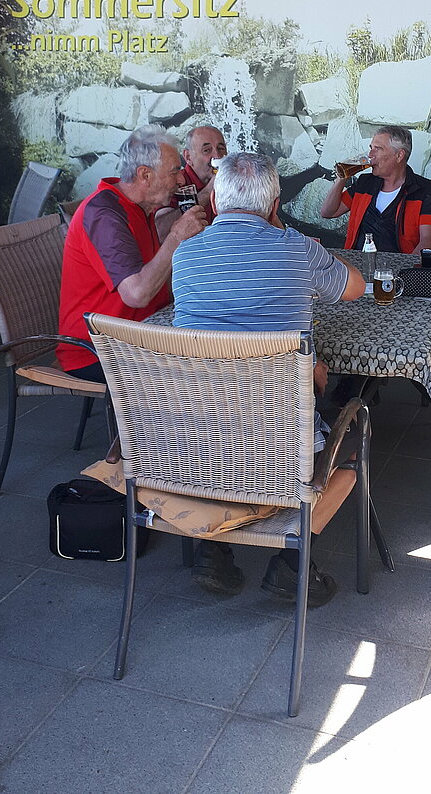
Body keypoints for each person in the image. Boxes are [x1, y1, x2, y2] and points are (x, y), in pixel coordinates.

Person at [171, 151, 366, 605]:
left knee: (223, 415)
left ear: (214, 202)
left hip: (195, 439)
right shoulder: (298, 248)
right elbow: (355, 287)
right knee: (356, 444)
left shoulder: (185, 254)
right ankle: (292, 562)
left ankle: (211, 550)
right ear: (276, 204)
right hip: (279, 442)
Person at [57, 124, 206, 380]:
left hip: (140, 334)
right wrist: (176, 237)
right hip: (98, 349)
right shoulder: (105, 215)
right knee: (203, 371)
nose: (181, 179)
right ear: (145, 175)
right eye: (174, 171)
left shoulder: (141, 207)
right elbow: (137, 294)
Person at [320, 125, 431, 254]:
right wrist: (341, 178)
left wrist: (408, 265)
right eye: (371, 148)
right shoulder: (365, 183)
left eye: (377, 149)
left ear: (399, 155)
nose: (370, 155)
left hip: (399, 263)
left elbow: (428, 241)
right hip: (358, 262)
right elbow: (328, 212)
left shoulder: (423, 189)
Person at [181, 124, 228, 223]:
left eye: (221, 148)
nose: (217, 156)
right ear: (188, 157)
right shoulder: (176, 183)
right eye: (207, 150)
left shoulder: (233, 180)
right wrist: (208, 191)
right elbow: (162, 227)